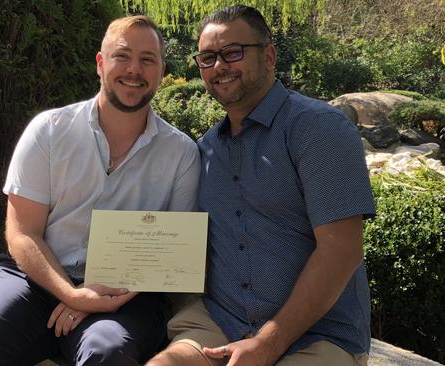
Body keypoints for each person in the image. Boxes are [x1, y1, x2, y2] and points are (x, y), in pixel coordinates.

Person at [0, 14, 200, 366]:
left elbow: (171, 252)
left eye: (147, 59)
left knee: (107, 354)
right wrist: (73, 294)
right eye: (122, 56)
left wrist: (103, 299)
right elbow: (22, 233)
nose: (134, 69)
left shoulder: (181, 153)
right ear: (100, 64)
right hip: (33, 280)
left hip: (127, 295)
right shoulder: (49, 131)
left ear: (161, 71)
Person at [147, 5, 375, 366]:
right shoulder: (205, 149)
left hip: (317, 336)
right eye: (208, 58)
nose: (219, 66)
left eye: (233, 52)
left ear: (269, 55)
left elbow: (342, 250)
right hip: (220, 321)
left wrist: (268, 342)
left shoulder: (319, 130)